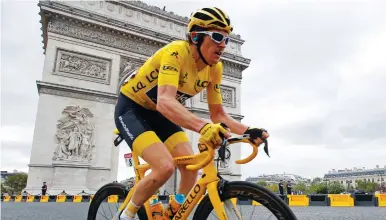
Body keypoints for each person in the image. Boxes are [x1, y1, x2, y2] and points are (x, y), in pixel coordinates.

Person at [114, 7, 269, 220]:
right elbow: (165, 101)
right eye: (216, 37)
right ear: (195, 37)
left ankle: (174, 209)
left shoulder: (215, 68)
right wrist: (204, 127)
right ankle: (127, 214)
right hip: (132, 108)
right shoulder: (176, 52)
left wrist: (249, 130)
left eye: (226, 39)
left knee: (190, 166)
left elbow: (219, 114)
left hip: (159, 114)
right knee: (165, 167)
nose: (223, 44)